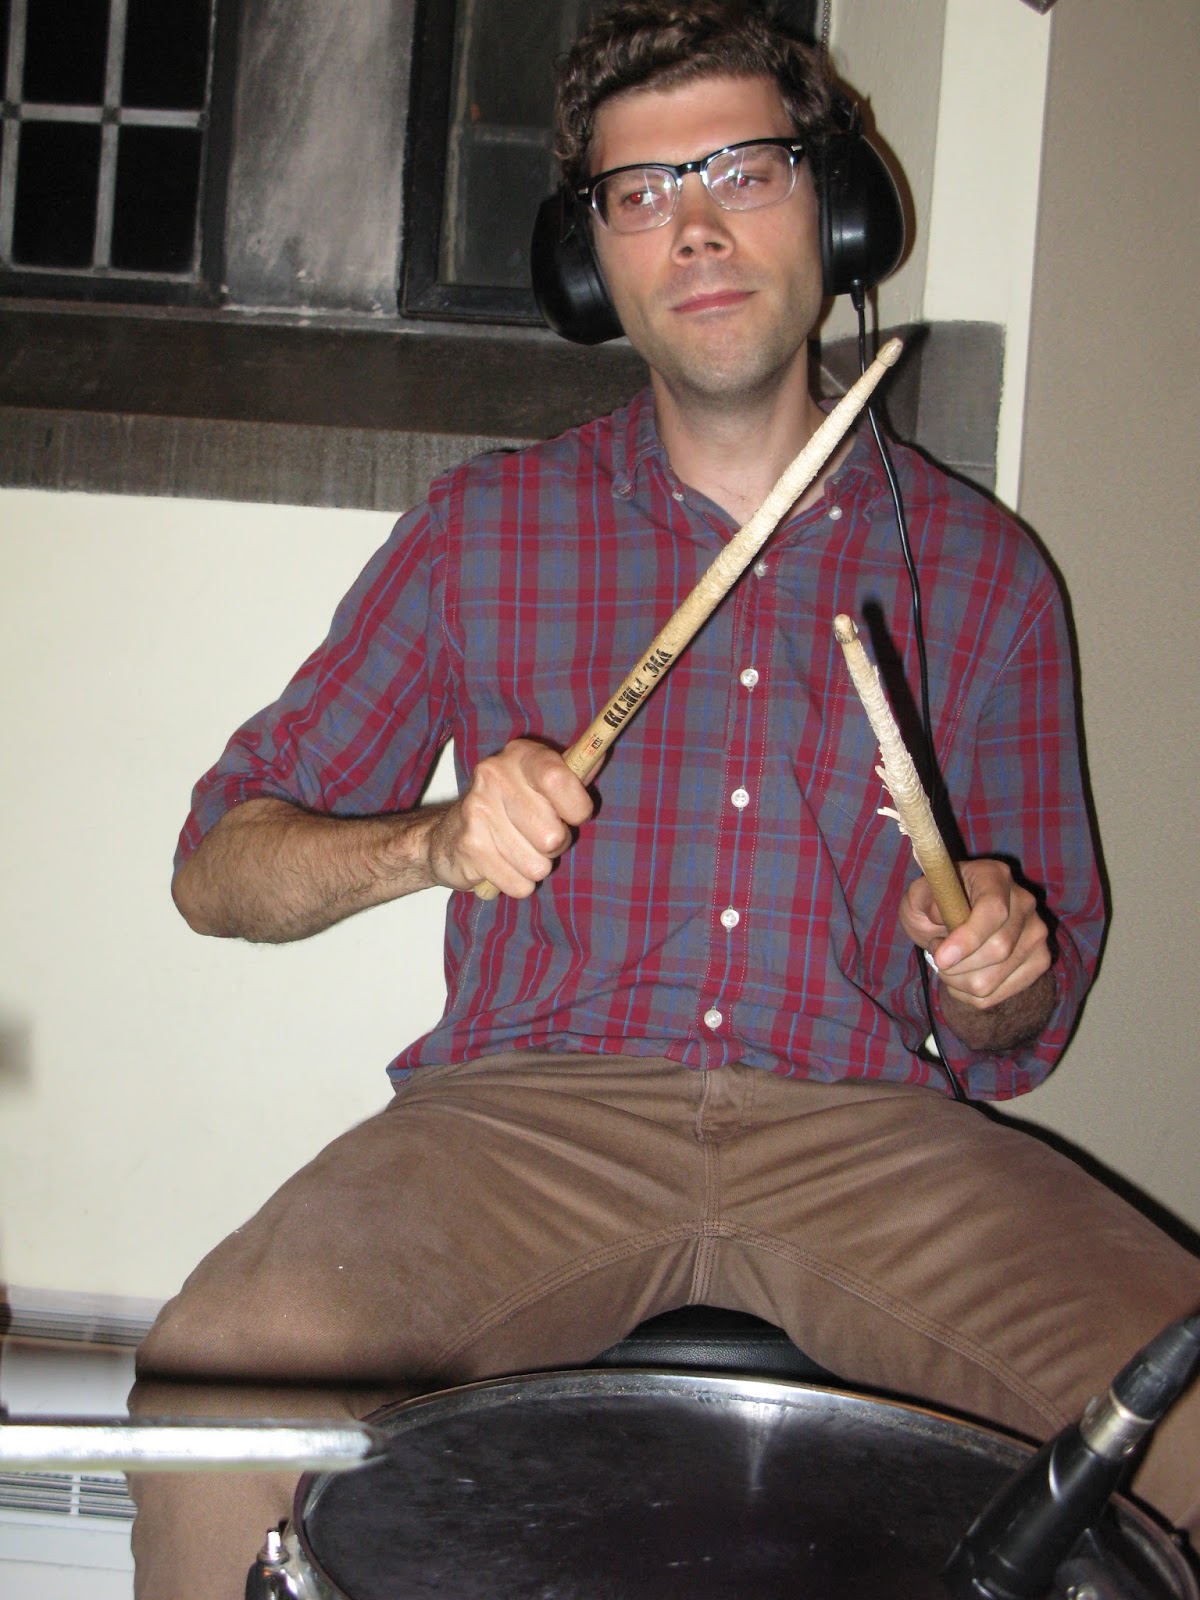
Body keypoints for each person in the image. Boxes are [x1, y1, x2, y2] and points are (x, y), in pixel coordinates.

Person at [131, 3, 1200, 1594]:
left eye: (744, 173)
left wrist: (994, 968)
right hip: (521, 1121)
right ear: (592, 264)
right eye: (640, 194)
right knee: (217, 1400)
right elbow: (218, 871)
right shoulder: (483, 532)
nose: (695, 229)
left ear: (837, 213)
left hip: (869, 1131)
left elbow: (1020, 1033)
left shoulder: (986, 576)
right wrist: (432, 842)